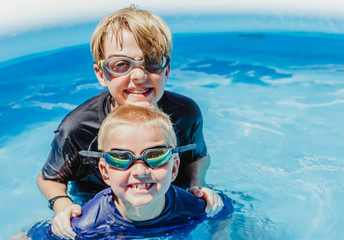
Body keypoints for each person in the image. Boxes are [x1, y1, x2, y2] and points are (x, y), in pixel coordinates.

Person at [36, 6, 223, 239]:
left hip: (167, 201)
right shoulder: (79, 127)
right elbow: (50, 178)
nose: (139, 75)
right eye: (121, 65)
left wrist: (198, 184)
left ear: (167, 70)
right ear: (101, 74)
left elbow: (197, 156)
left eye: (152, 62)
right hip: (100, 210)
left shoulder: (185, 113)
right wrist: (62, 205)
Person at [26, 105, 231, 239]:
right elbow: (36, 234)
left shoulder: (196, 206)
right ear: (105, 173)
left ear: (175, 167)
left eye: (155, 155)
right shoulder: (86, 225)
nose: (140, 170)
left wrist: (219, 234)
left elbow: (226, 210)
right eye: (121, 158)